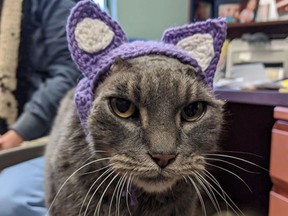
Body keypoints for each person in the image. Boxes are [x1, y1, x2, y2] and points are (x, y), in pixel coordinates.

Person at [0, 0, 80, 215]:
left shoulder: (55, 5)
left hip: (43, 138)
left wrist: (19, 133)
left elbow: (68, 74)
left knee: (9, 200)